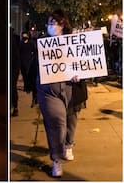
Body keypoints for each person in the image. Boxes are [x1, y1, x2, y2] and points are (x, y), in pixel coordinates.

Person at [36, 10, 87, 177]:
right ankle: (56, 160)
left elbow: (85, 63)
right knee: (57, 122)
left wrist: (80, 74)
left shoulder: (73, 43)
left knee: (71, 121)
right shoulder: (43, 44)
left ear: (62, 25)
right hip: (49, 90)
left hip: (70, 88)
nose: (50, 26)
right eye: (48, 23)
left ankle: (68, 145)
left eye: (53, 23)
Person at [19, 30, 37, 106]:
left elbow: (34, 52)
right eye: (23, 35)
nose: (24, 37)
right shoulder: (20, 44)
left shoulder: (31, 43)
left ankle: (33, 94)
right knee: (25, 77)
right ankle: (27, 87)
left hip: (30, 63)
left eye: (25, 35)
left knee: (30, 78)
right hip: (23, 63)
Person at [11, 27, 21, 116]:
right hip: (13, 68)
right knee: (12, 88)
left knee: (13, 88)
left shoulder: (14, 41)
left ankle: (15, 107)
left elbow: (16, 57)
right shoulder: (13, 40)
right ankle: (13, 107)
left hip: (14, 68)